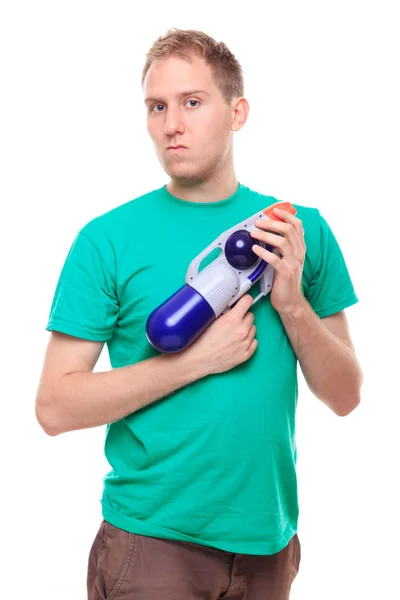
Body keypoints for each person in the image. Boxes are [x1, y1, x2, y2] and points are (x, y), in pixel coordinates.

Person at [35, 28, 363, 600]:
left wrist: (290, 302)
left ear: (237, 112)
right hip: (153, 546)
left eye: (192, 102)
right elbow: (54, 407)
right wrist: (193, 363)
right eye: (157, 107)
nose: (171, 125)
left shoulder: (298, 232)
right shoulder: (107, 240)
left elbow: (346, 396)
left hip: (270, 545)